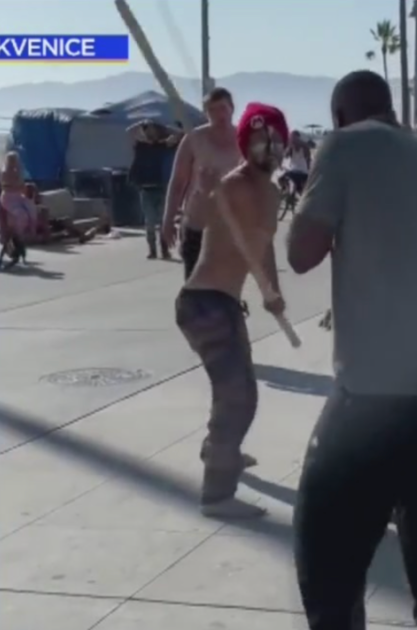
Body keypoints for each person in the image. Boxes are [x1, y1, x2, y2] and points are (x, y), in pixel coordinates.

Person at [287, 69, 417, 630]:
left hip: (376, 386)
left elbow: (301, 251)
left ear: (342, 113)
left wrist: (307, 197)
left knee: (324, 538)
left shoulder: (342, 145)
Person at [176, 103, 291, 519]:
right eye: (261, 141)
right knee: (236, 396)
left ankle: (219, 449)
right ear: (246, 143)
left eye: (276, 141)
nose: (269, 149)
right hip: (203, 303)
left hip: (225, 303)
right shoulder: (230, 184)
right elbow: (199, 220)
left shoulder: (273, 191)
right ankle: (217, 494)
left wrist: (271, 291)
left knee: (240, 392)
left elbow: (263, 247)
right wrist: (203, 194)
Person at [163, 87, 242, 280]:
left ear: (232, 108)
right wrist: (168, 219)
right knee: (195, 287)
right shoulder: (193, 139)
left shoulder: (244, 139)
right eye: (212, 110)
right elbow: (178, 182)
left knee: (226, 290)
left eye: (222, 108)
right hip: (198, 226)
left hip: (232, 228)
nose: (218, 115)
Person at [129, 120, 178, 259]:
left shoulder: (162, 145)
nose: (151, 132)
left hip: (161, 187)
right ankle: (152, 250)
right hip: (146, 189)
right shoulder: (141, 146)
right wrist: (142, 122)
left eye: (153, 129)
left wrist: (166, 126)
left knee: (163, 221)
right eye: (148, 129)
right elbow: (130, 132)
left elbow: (178, 135)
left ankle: (164, 249)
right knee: (150, 221)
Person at [281, 129, 312, 195]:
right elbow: (285, 155)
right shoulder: (292, 147)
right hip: (302, 172)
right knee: (300, 191)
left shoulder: (303, 147)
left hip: (296, 172)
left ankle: (288, 192)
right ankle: (289, 192)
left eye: (293, 137)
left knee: (283, 179)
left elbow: (308, 158)